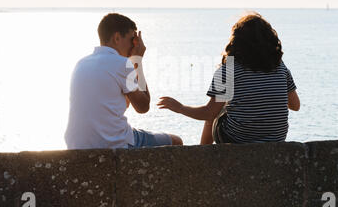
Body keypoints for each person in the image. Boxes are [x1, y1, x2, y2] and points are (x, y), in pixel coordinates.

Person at [157, 12, 300, 144]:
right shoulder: (279, 66)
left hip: (238, 139)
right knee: (224, 105)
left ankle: (203, 155)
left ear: (236, 41)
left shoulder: (228, 69)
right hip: (277, 139)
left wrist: (180, 108)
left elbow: (209, 113)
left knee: (216, 110)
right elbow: (295, 105)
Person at [65, 13, 183, 149]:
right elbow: (143, 106)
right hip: (114, 143)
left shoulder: (81, 63)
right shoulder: (122, 64)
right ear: (117, 38)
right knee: (176, 142)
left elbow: (122, 104)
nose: (134, 45)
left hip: (76, 145)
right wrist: (137, 60)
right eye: (132, 39)